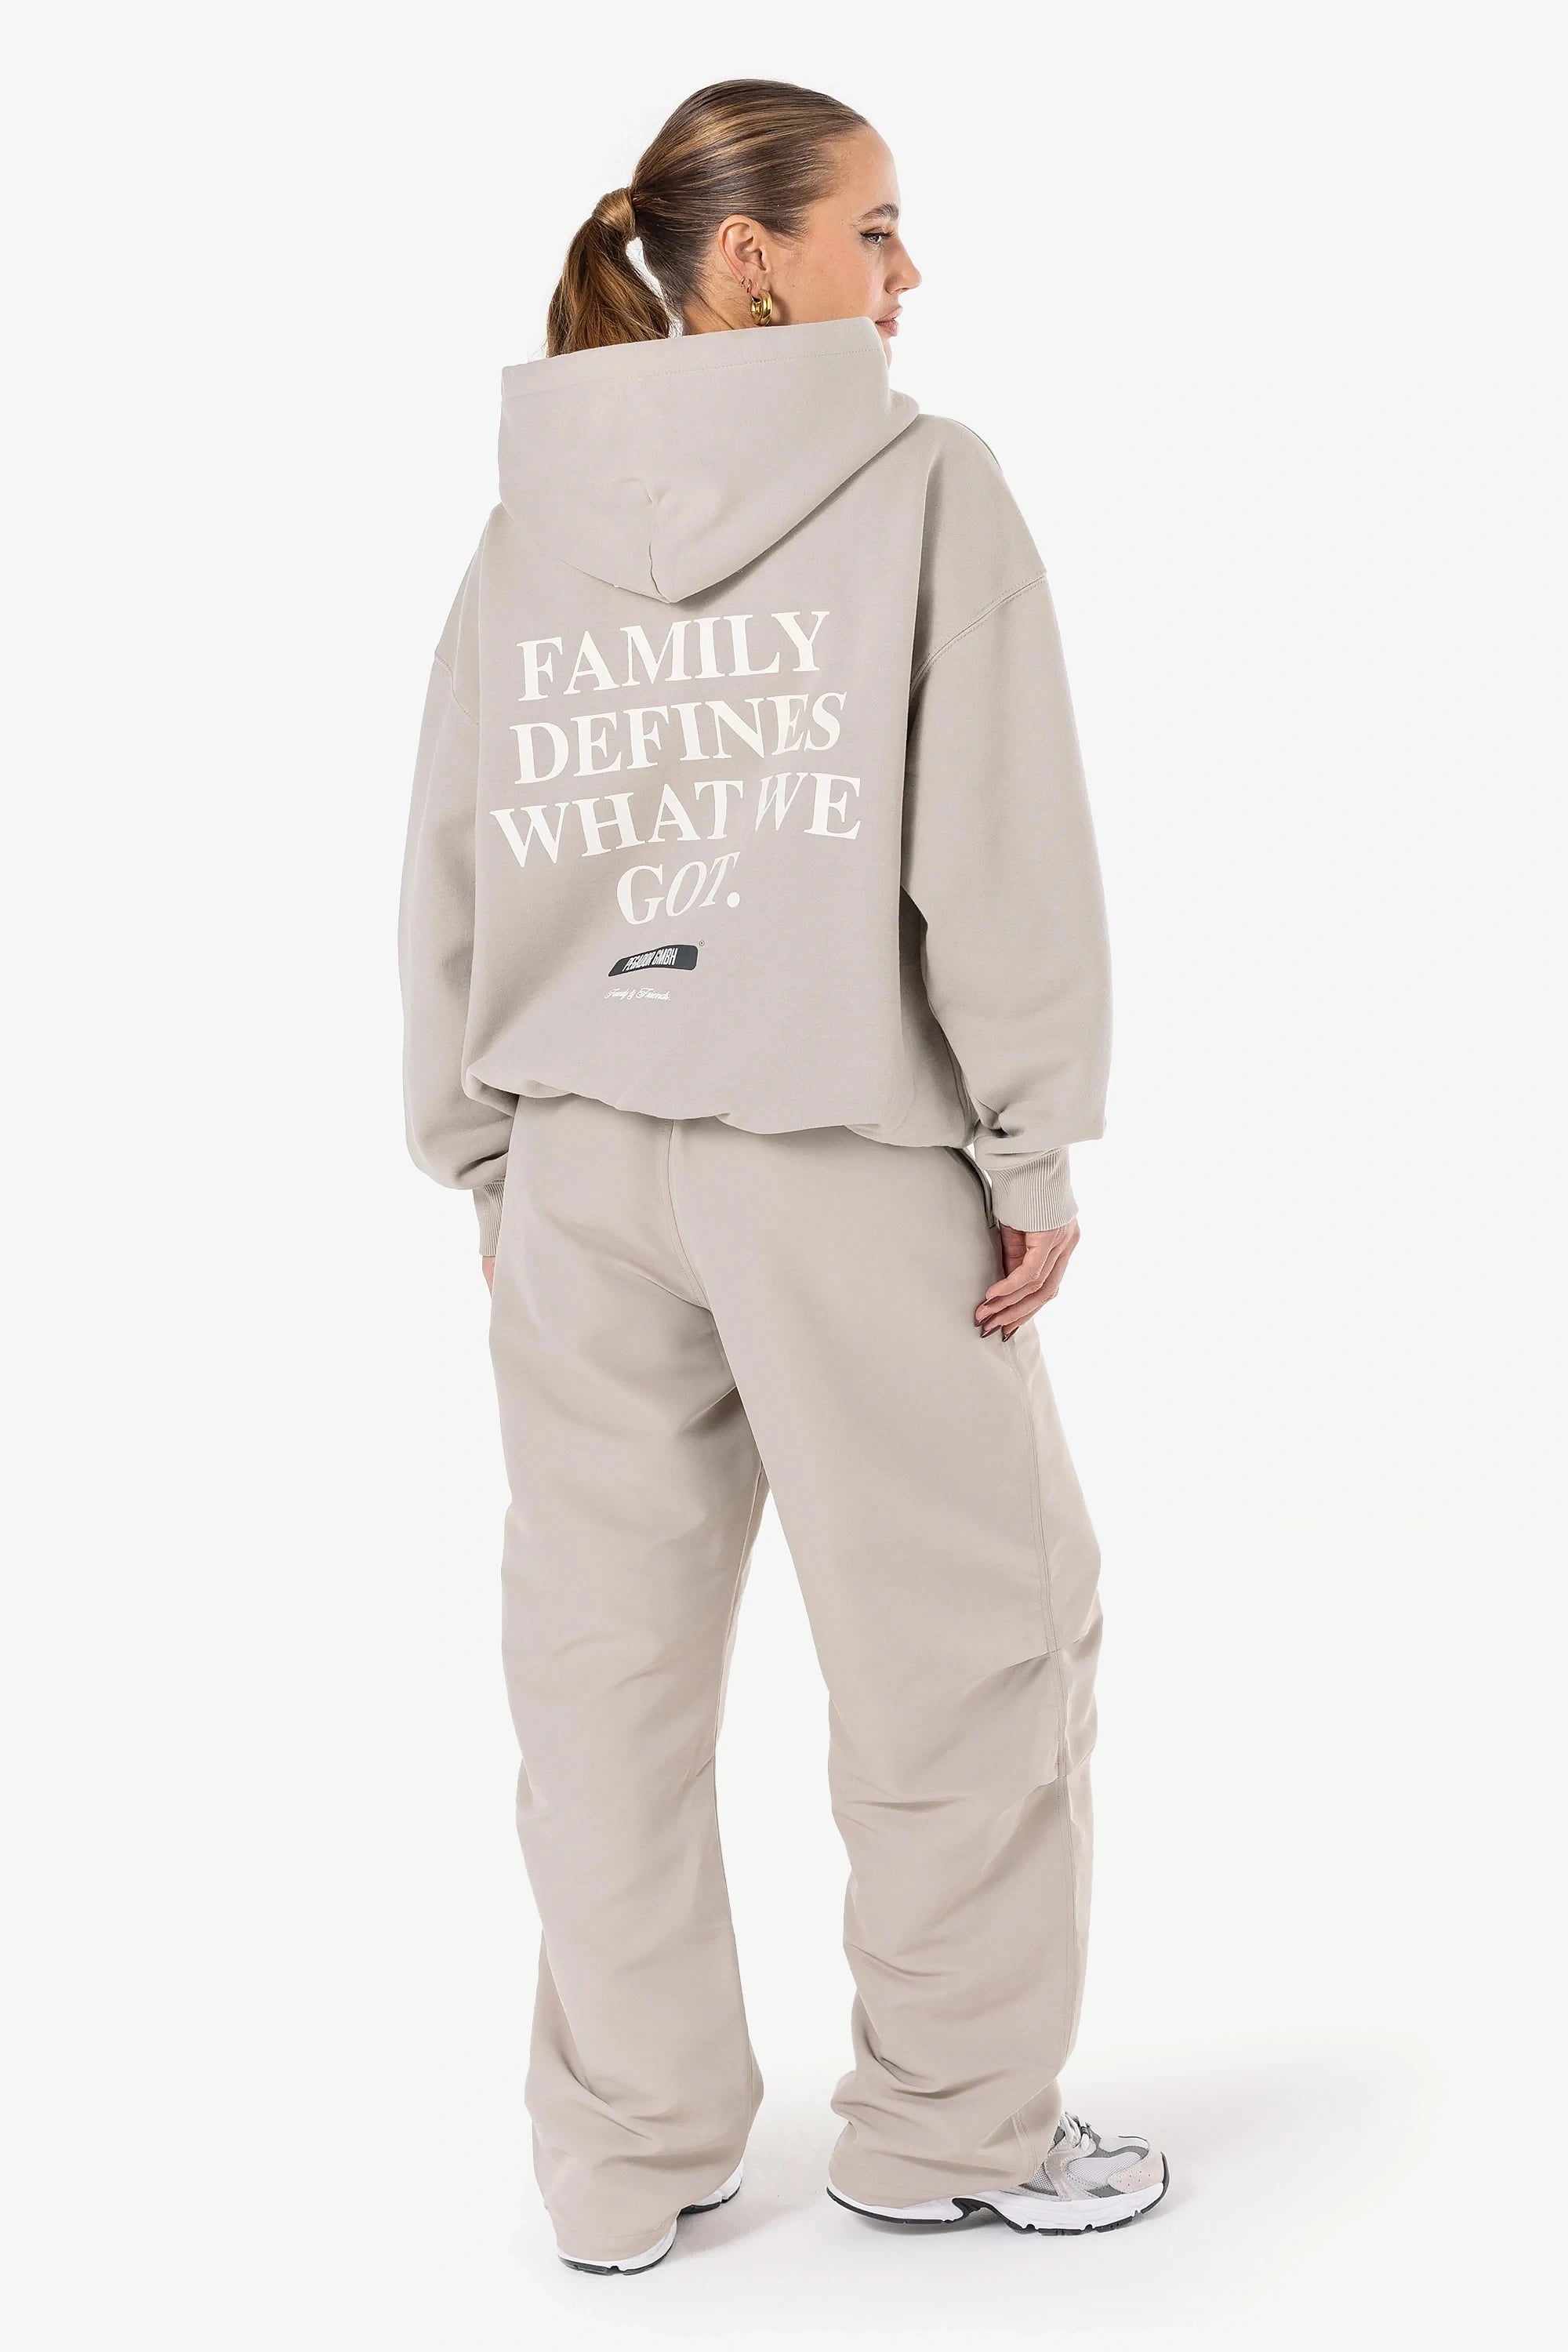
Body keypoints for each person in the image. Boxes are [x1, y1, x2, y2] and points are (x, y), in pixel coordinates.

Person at [399, 76, 1167, 2275]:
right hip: (836, 1150)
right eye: (874, 231)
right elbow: (996, 846)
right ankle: (947, 2127)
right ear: (752, 257)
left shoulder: (530, 515)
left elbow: (453, 849)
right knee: (966, 1651)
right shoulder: (923, 485)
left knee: (603, 1680)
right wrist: (1028, 1140)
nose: (907, 276)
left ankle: (624, 2160)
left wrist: (485, 1158)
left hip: (577, 1167)